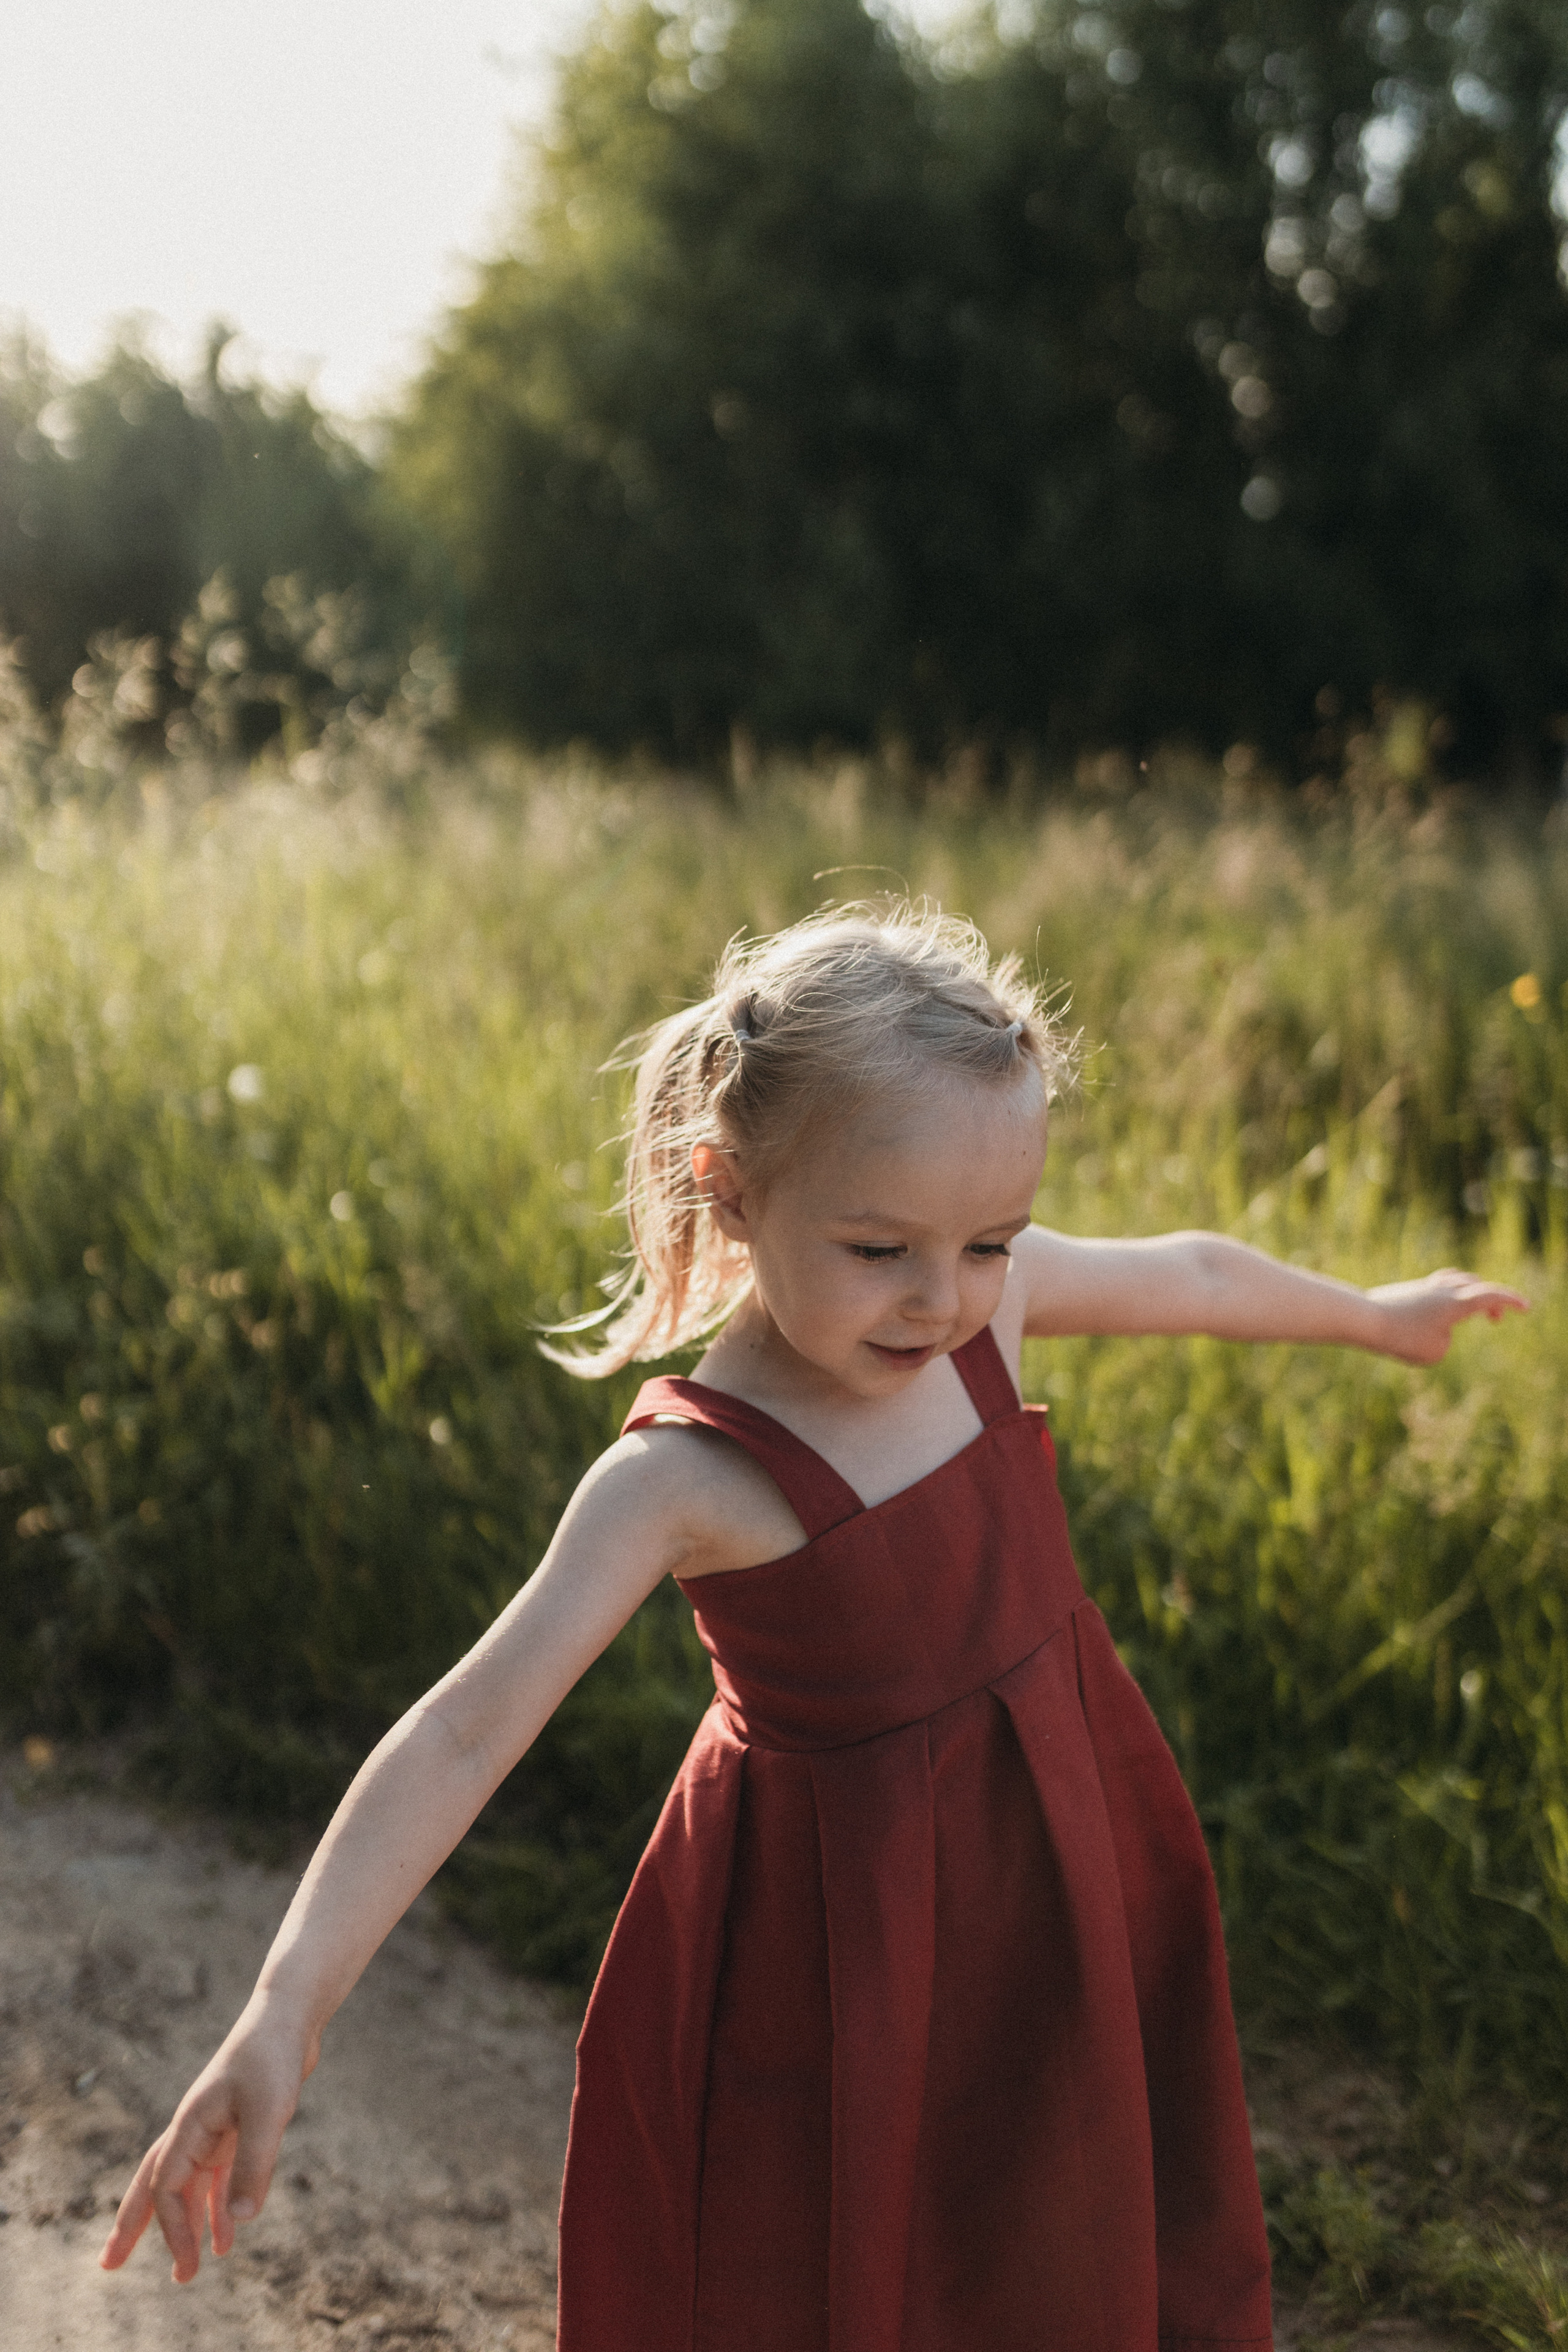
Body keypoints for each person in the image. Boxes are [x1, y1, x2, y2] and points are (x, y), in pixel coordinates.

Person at [100, 903, 1526, 2351]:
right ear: (729, 1190)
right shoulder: (683, 1478)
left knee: (1052, 2211)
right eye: (878, 1248)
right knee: (838, 2256)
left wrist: (1374, 1313)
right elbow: (463, 1732)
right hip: (839, 1944)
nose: (940, 1299)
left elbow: (1198, 1275)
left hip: (1047, 1861)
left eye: (988, 1241)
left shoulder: (989, 1313)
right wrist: (285, 2007)